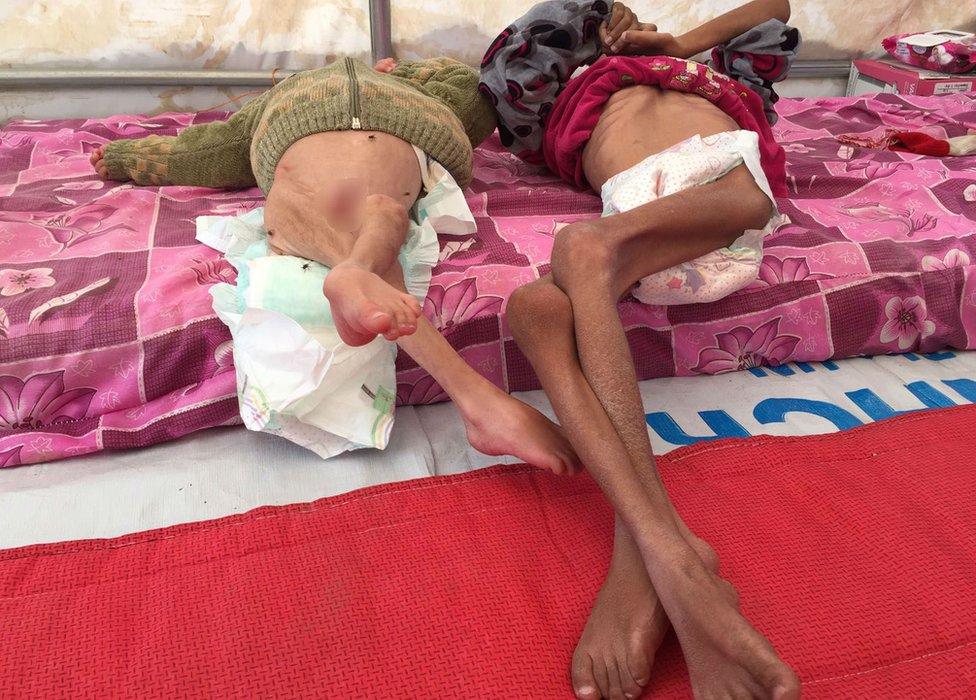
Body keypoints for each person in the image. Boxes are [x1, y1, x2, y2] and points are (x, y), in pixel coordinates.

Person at [481, 1, 802, 698]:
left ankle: (649, 562)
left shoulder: (710, 69)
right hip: (637, 214)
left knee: (581, 248)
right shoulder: (565, 85)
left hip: (727, 191)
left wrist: (682, 43)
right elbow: (502, 76)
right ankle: (673, 557)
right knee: (535, 306)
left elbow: (774, 5)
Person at [91, 56, 580, 476]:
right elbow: (202, 152)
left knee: (385, 214)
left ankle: (353, 274)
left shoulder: (407, 89)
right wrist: (121, 155)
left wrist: (409, 74)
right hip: (300, 198)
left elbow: (473, 95)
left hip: (379, 202)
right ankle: (474, 396)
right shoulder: (275, 103)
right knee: (334, 215)